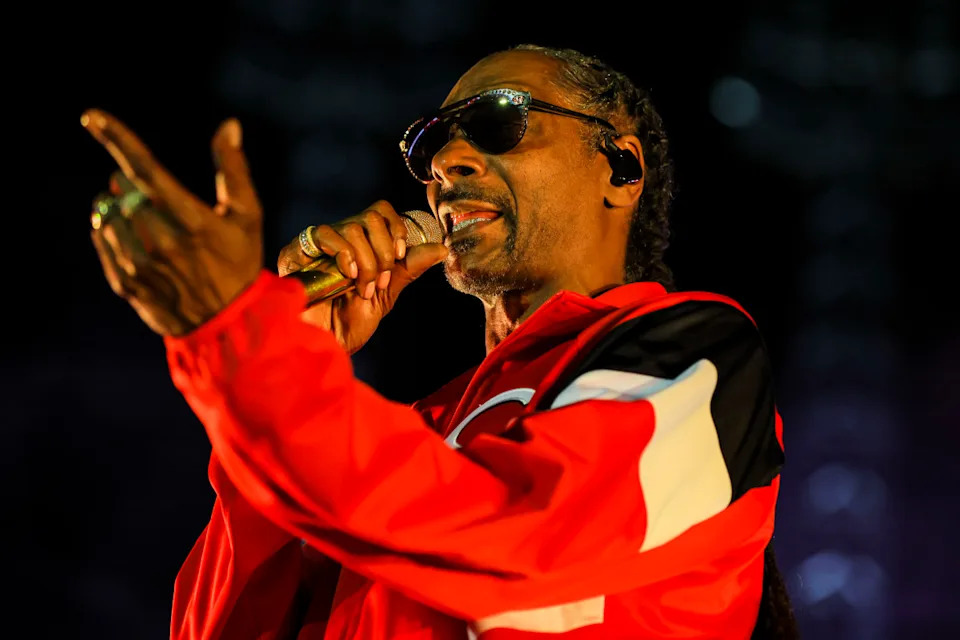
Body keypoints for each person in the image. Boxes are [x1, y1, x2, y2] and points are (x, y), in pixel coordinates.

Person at [84, 44, 797, 639]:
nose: (444, 162)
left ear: (621, 167)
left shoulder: (694, 357)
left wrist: (241, 338)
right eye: (427, 143)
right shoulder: (419, 434)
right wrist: (295, 363)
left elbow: (526, 534)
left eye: (498, 120)